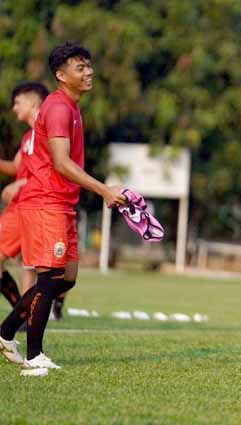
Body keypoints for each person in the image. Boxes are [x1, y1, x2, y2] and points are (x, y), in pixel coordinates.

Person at [0, 42, 125, 377]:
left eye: (88, 66)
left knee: (65, 279)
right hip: (46, 204)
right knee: (51, 276)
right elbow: (61, 162)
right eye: (80, 67)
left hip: (62, 204)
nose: (88, 72)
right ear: (60, 74)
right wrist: (103, 190)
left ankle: (6, 331)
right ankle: (34, 355)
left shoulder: (71, 107)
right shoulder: (57, 108)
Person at [0, 82, 49, 309]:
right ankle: (23, 314)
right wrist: (18, 180)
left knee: (45, 272)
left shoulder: (48, 131)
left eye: (17, 103)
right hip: (20, 207)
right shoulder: (29, 137)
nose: (14, 108)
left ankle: (24, 316)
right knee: (30, 268)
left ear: (32, 102)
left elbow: (55, 170)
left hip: (31, 207)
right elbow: (15, 167)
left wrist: (20, 184)